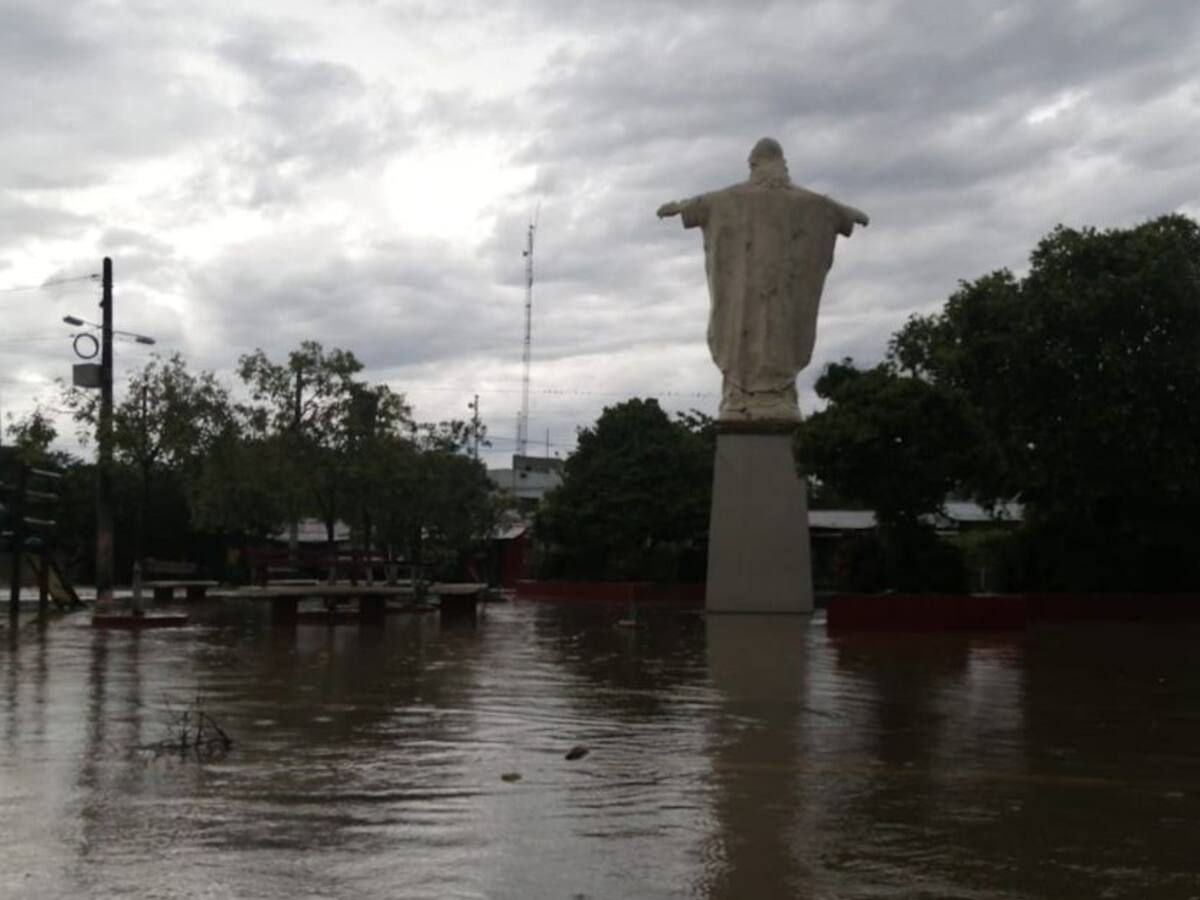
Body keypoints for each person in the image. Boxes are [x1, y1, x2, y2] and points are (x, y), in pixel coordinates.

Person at [658, 137, 868, 421]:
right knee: (740, 335)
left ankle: (776, 397)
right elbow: (823, 206)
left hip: (779, 287)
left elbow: (820, 206)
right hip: (743, 288)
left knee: (775, 335)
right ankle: (738, 398)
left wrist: (845, 214)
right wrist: (845, 214)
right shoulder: (741, 197)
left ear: (753, 164)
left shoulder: (790, 199)